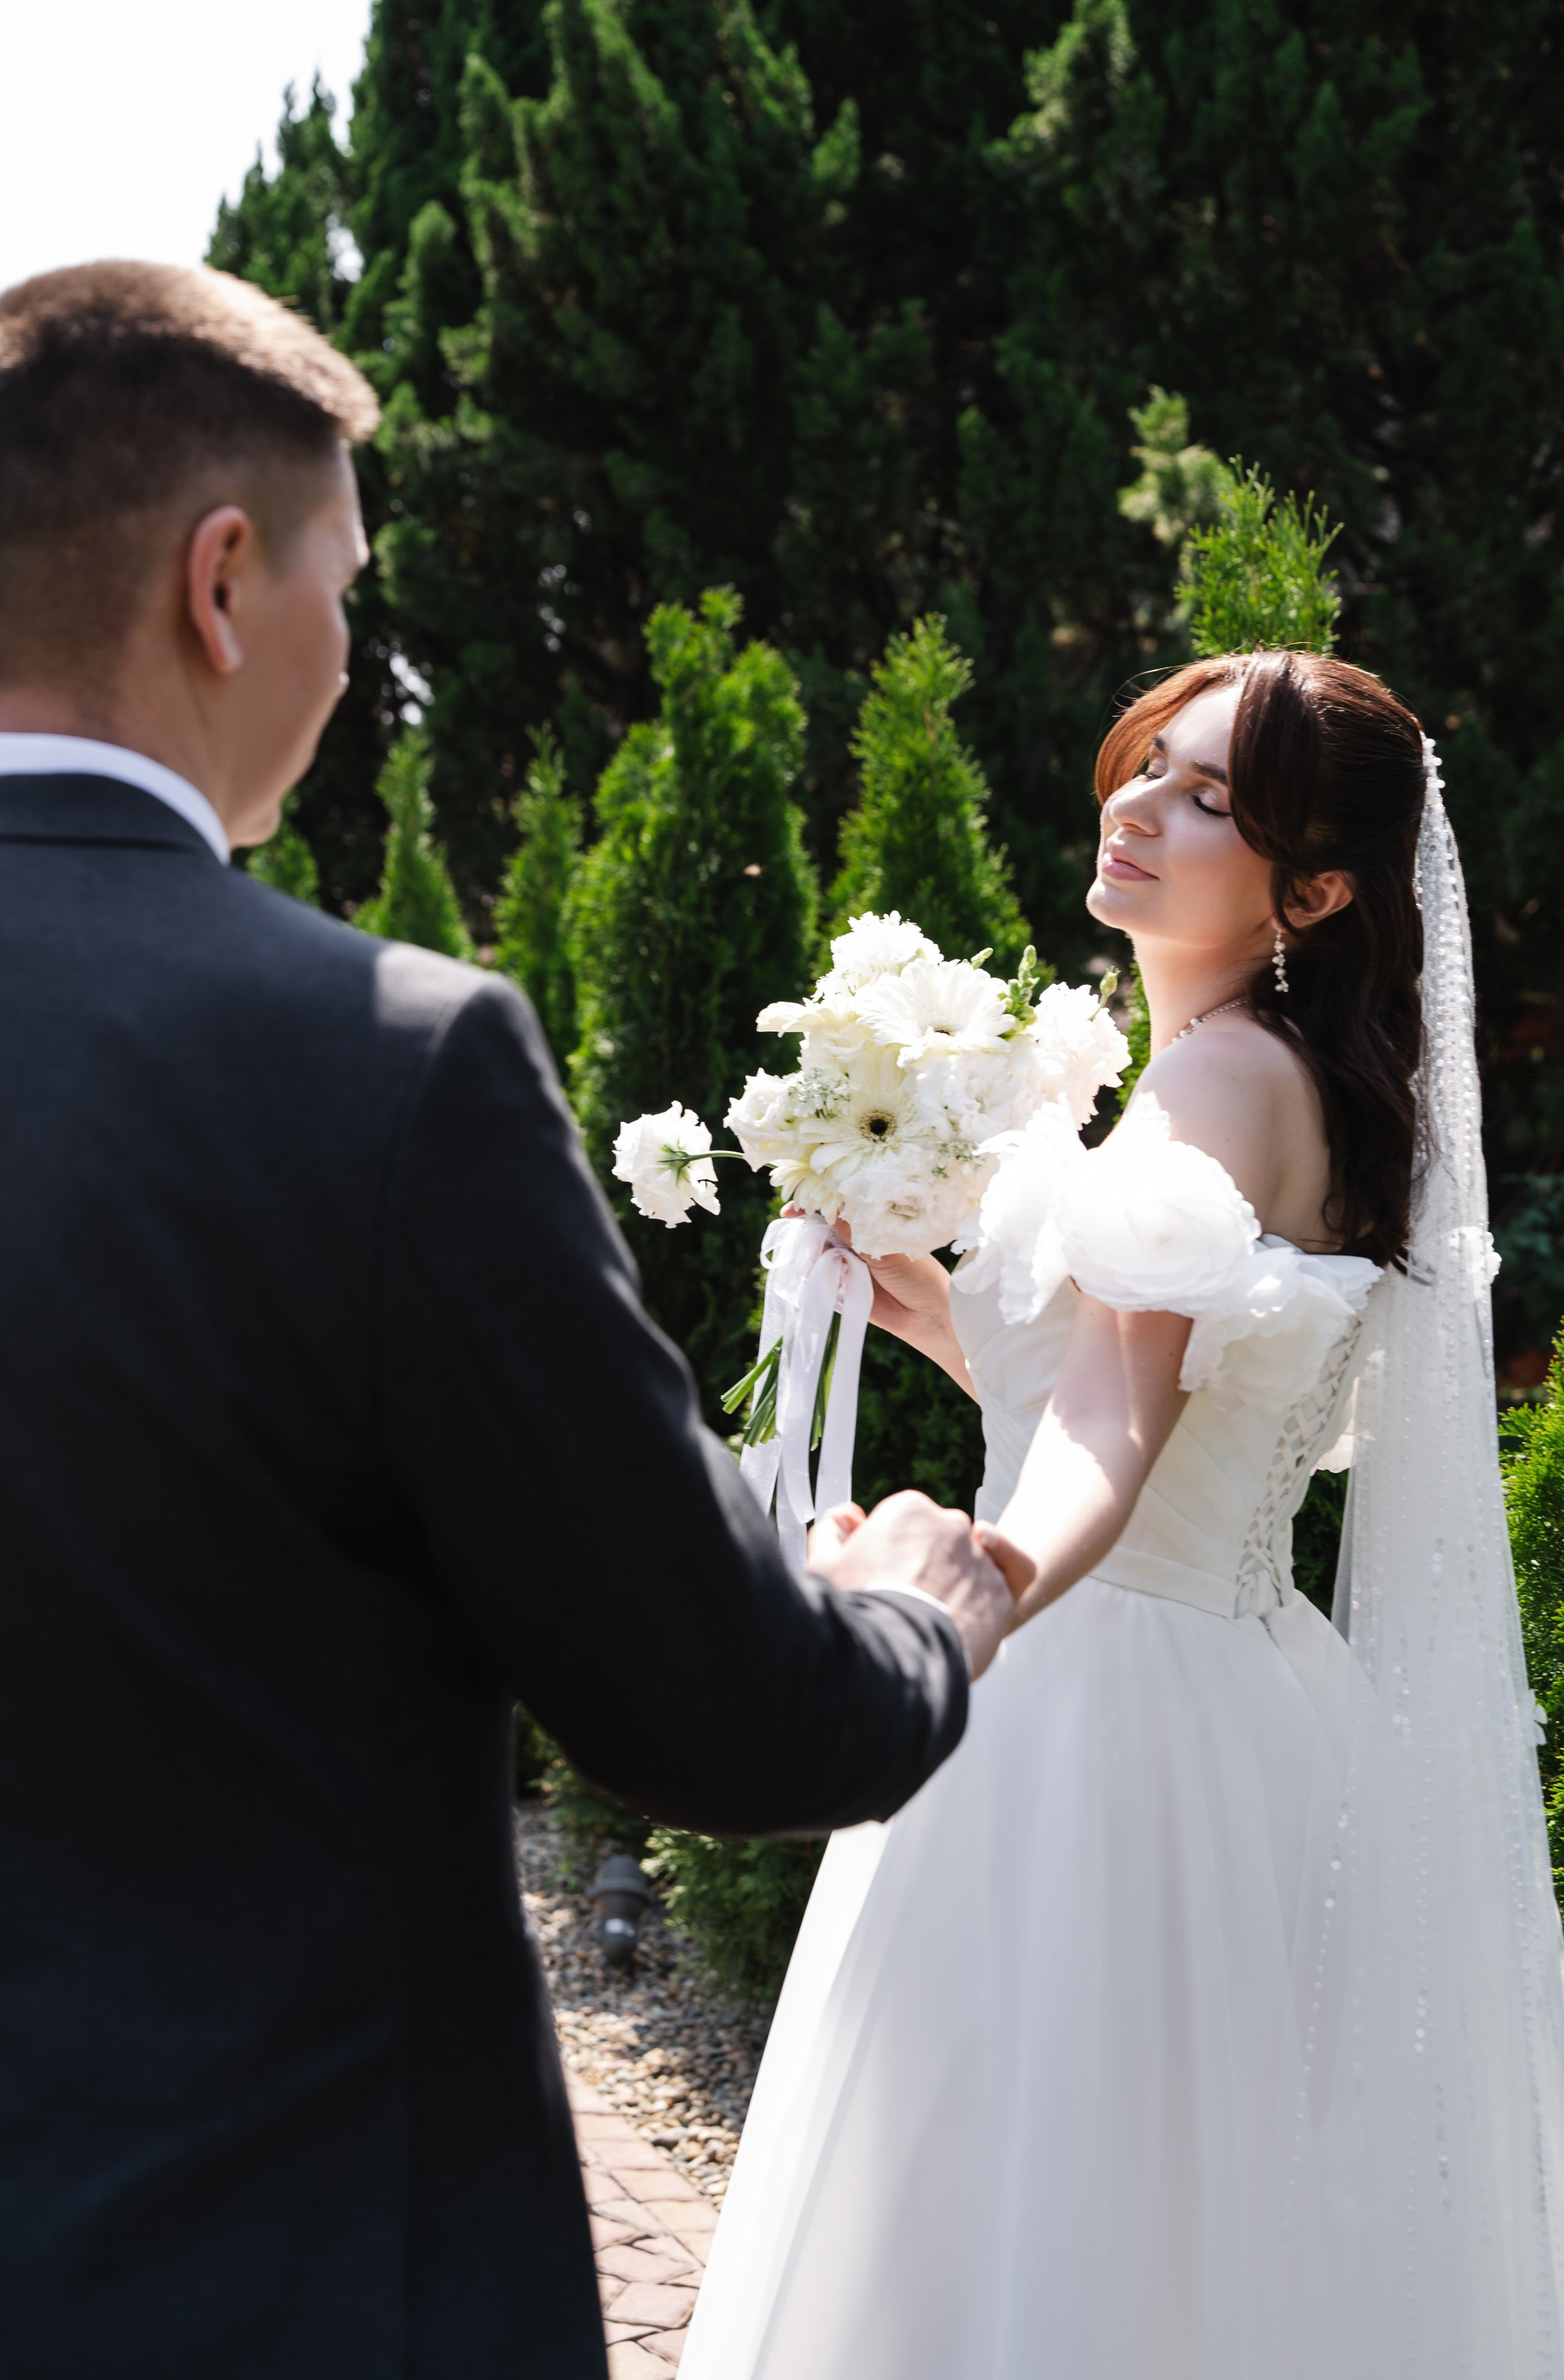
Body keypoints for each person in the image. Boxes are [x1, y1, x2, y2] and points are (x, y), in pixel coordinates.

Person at [0, 261, 1015, 2378]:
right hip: (268, 2283)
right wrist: (923, 1612)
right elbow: (722, 1716)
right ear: (220, 587)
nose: (353, 655)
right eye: (344, 591)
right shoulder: (380, 1068)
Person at [682, 651, 1564, 2376]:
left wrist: (996, 1573)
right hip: (1238, 1692)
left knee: (1012, 2216)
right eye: (1148, 765)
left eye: (1207, 801)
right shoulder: (1276, 1078)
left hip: (1096, 1708)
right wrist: (937, 1313)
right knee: (1183, 2238)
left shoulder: (1212, 1090)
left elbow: (1110, 1419)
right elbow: (1125, 1404)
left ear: (1314, 890)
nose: (1139, 805)